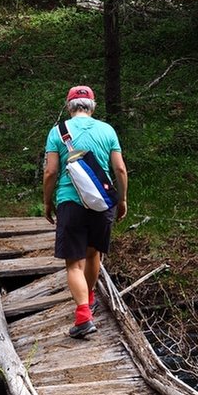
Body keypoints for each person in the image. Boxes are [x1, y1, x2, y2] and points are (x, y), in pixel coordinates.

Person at [43, 85, 128, 338]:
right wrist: (121, 200)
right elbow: (120, 170)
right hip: (102, 202)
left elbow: (50, 172)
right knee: (93, 257)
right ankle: (89, 300)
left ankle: (82, 317)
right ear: (93, 105)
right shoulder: (107, 130)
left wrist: (48, 202)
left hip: (70, 201)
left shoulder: (57, 132)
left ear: (69, 106)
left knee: (74, 264)